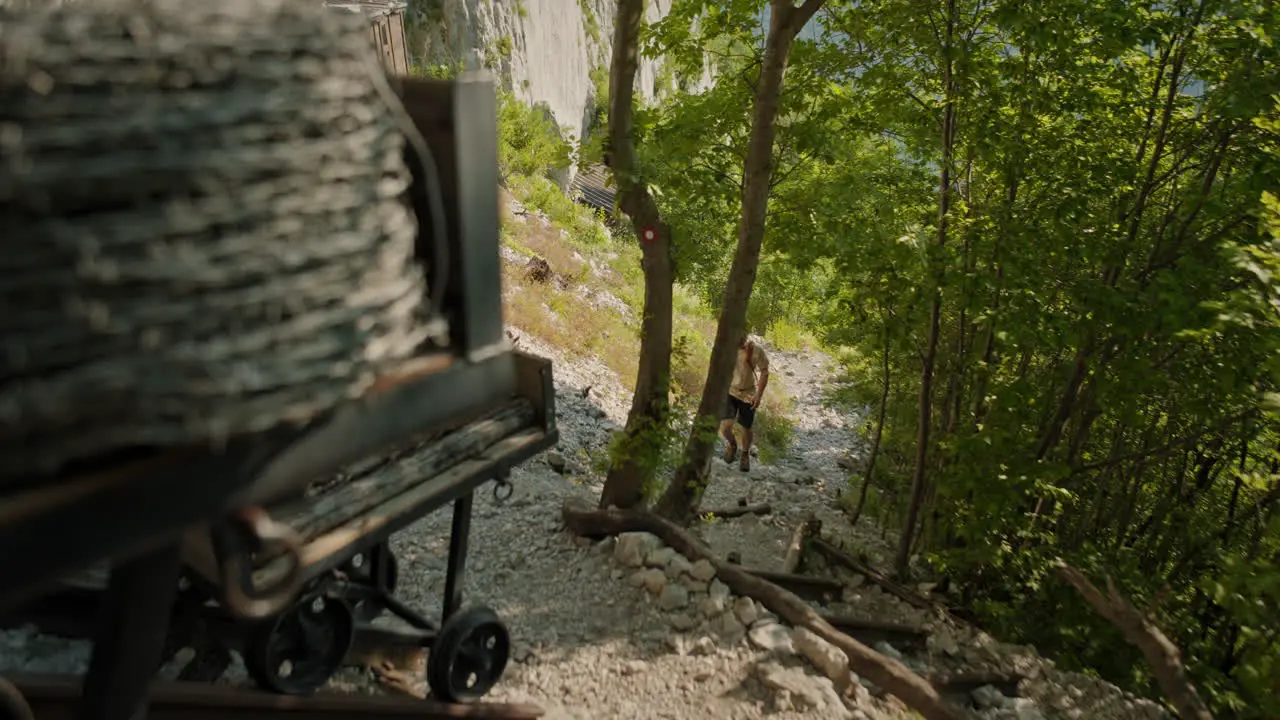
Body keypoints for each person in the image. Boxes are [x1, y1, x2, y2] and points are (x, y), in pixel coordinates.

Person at [721, 334, 769, 472]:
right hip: (730, 391)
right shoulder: (727, 347)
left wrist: (758, 396)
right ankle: (732, 444)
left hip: (748, 394)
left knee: (746, 427)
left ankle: (745, 453)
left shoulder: (756, 350)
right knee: (725, 426)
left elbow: (765, 372)